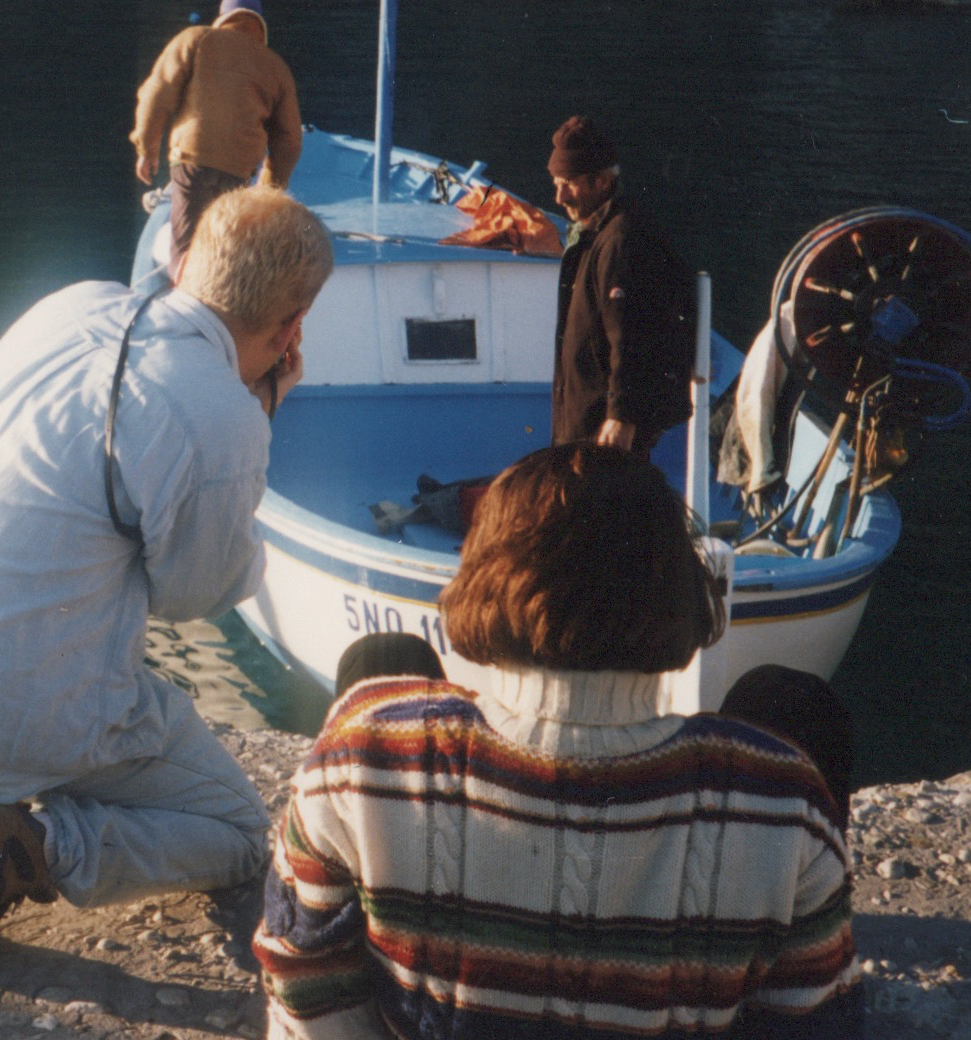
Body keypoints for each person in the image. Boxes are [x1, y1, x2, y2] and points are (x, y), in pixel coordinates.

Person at [0, 186, 333, 968]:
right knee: (242, 834)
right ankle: (33, 847)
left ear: (186, 263)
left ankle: (22, 794)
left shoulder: (72, 305)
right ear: (292, 328)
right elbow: (194, 596)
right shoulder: (220, 413)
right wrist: (259, 410)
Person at [256, 444, 863, 1039]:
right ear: (679, 588)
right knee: (788, 702)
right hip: (738, 883)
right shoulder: (783, 800)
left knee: (382, 660)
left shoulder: (363, 751)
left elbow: (303, 974)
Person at [548, 115, 696, 456]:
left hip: (604, 425)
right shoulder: (597, 232)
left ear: (601, 182)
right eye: (555, 182)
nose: (558, 197)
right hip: (586, 415)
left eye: (568, 183)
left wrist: (621, 418)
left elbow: (632, 335)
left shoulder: (622, 242)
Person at [131, 0, 303, 278]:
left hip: (192, 162)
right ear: (260, 27)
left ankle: (185, 306)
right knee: (221, 244)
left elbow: (156, 95)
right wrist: (268, 189)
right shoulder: (276, 67)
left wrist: (146, 149)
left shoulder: (196, 38)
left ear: (223, 18)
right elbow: (289, 140)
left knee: (184, 246)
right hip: (238, 172)